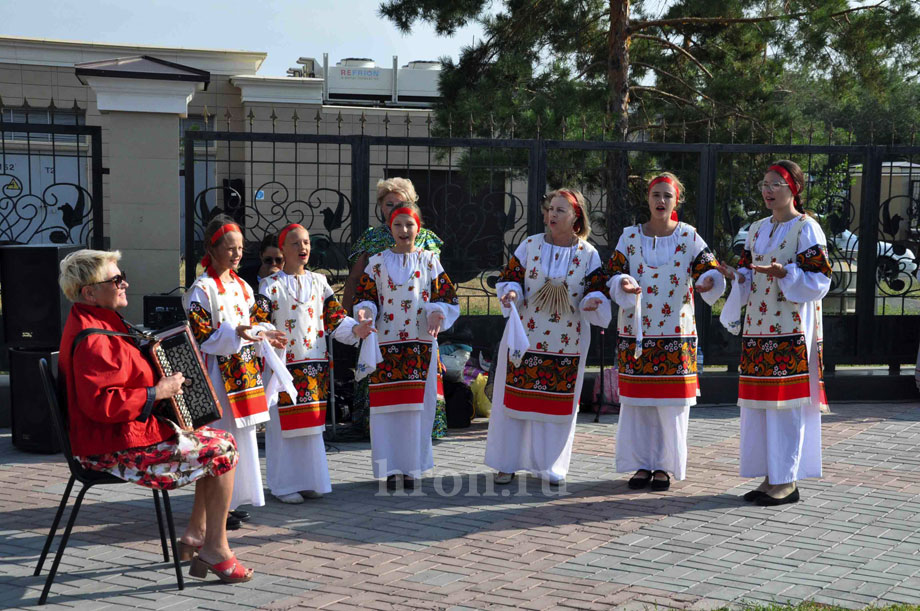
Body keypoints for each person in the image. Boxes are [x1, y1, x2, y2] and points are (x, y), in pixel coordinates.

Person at [57, 249, 253, 583]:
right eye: (116, 279)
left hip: (119, 437)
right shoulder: (93, 339)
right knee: (223, 449)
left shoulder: (98, 322)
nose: (125, 284)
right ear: (90, 292)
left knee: (218, 441)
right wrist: (157, 393)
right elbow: (101, 405)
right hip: (110, 449)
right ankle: (215, 548)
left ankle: (196, 534)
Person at [717, 160, 831, 506]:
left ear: (792, 189)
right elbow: (749, 273)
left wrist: (788, 273)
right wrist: (736, 276)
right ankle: (771, 476)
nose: (767, 191)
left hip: (790, 332)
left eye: (775, 185)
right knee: (762, 404)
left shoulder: (806, 228)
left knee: (786, 405)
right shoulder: (756, 229)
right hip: (758, 328)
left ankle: (787, 481)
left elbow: (821, 279)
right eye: (764, 185)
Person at [605, 173, 725, 491]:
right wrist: (622, 283)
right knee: (638, 404)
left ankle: (666, 467)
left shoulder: (688, 236)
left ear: (676, 201)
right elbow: (613, 273)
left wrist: (709, 281)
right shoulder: (629, 237)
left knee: (671, 406)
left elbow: (708, 268)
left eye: (667, 196)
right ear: (647, 199)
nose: (661, 201)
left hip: (677, 333)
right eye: (656, 194)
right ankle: (642, 465)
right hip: (636, 333)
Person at [484, 188, 611, 487]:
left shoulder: (588, 254)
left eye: (560, 210)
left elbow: (598, 288)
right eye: (550, 209)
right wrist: (511, 291)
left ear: (576, 217)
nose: (551, 215)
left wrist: (594, 300)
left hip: (566, 340)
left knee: (556, 404)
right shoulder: (530, 246)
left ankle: (550, 465)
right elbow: (510, 277)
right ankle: (507, 463)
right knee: (514, 400)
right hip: (525, 336)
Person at [257, 223, 373, 503]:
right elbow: (257, 320)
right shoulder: (270, 285)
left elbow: (334, 318)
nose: (303, 248)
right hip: (285, 367)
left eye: (306, 242)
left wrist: (355, 329)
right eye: (295, 243)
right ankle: (284, 485)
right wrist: (267, 334)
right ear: (283, 249)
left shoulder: (319, 282)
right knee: (284, 426)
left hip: (314, 366)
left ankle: (308, 480)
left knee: (309, 426)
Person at [184, 215, 287, 517]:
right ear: (212, 249)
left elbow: (254, 321)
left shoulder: (243, 286)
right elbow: (201, 335)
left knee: (241, 437)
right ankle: (215, 510)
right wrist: (237, 331)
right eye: (230, 248)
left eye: (240, 248)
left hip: (244, 373)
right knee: (219, 436)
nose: (237, 254)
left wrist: (264, 332)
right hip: (218, 374)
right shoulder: (202, 288)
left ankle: (231, 502)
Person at [353, 201, 459, 489]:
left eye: (409, 224)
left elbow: (447, 298)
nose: (404, 230)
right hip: (386, 348)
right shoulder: (376, 263)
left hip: (419, 348)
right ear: (390, 228)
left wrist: (437, 312)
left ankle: (411, 469)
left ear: (418, 227)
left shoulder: (429, 261)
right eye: (398, 224)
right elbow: (366, 298)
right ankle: (389, 470)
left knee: (414, 410)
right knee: (387, 409)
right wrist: (364, 312)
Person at [343, 177, 447, 439]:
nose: (394, 209)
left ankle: (426, 428)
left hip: (418, 319)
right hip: (380, 319)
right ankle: (373, 427)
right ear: (380, 206)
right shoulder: (371, 238)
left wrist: (437, 311)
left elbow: (438, 282)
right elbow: (355, 279)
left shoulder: (427, 239)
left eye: (401, 204)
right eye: (389, 204)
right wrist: (352, 315)